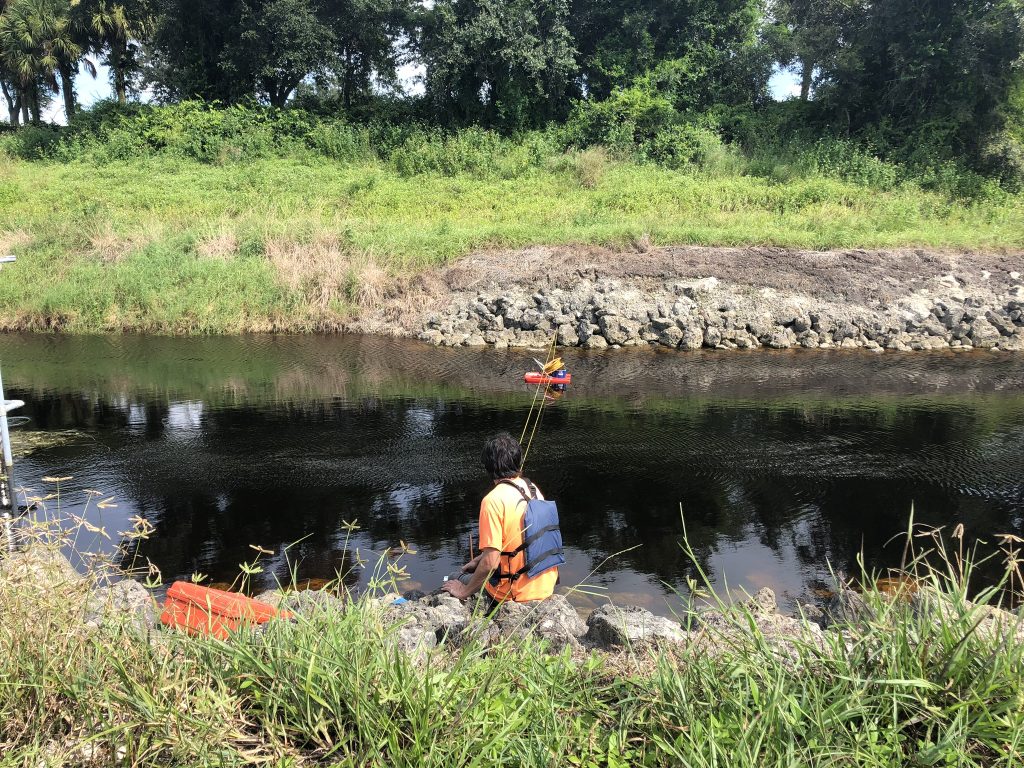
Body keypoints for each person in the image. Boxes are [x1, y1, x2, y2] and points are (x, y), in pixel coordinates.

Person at [440, 432, 558, 608]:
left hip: (515, 593)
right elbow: (523, 541)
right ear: (517, 460)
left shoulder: (493, 500)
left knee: (451, 578)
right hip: (545, 586)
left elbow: (491, 563)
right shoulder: (532, 489)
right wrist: (479, 559)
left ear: (488, 467)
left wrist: (463, 591)